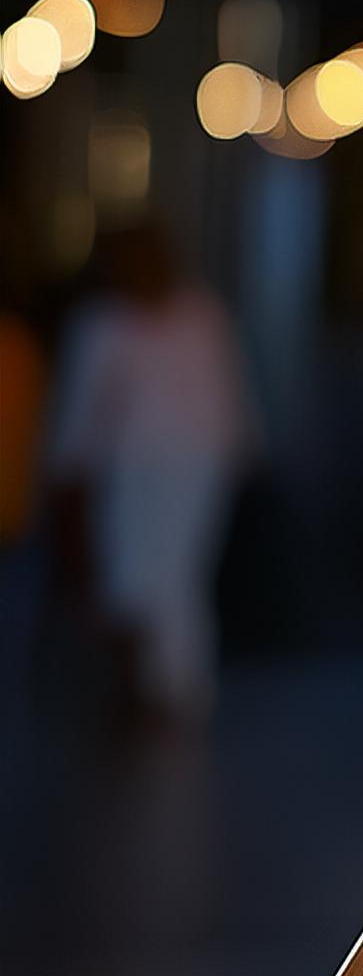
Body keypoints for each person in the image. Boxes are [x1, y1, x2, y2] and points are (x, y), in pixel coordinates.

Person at [42, 215, 263, 728]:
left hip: (176, 468)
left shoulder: (186, 317)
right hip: (161, 469)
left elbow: (225, 396)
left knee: (162, 577)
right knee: (151, 577)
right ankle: (164, 692)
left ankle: (166, 694)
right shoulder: (116, 323)